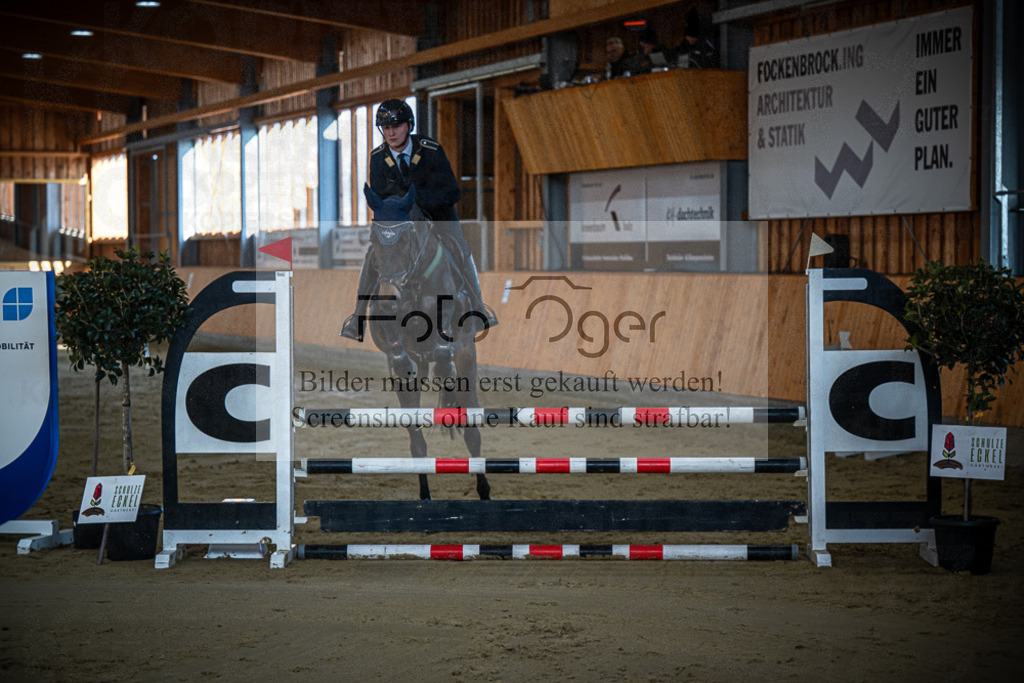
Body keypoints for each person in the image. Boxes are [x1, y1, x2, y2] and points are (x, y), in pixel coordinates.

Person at [340, 98, 497, 341]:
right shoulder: (378, 157)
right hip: (401, 222)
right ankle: (357, 317)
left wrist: (419, 202)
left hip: (439, 216)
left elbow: (453, 192)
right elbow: (382, 197)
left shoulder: (431, 149)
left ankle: (478, 308)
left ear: (409, 125)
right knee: (373, 255)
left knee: (460, 249)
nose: (390, 133)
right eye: (386, 128)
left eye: (396, 126)